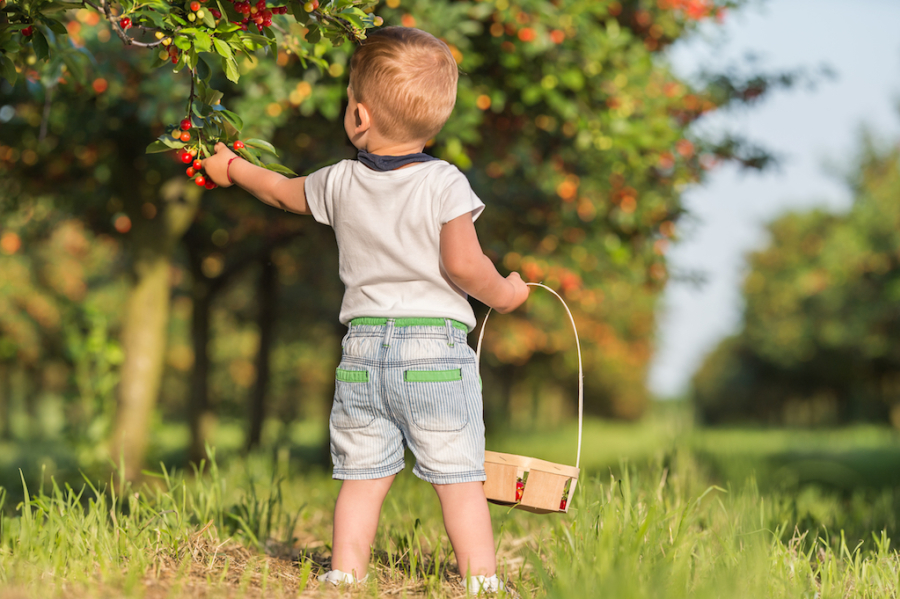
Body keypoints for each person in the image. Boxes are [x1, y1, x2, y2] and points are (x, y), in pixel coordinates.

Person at [202, 26, 529, 593]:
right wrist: (507, 292)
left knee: (363, 475)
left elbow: (280, 191)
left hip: (362, 349)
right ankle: (481, 582)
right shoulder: (444, 183)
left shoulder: (338, 182)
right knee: (458, 478)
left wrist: (230, 167)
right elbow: (464, 266)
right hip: (434, 352)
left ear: (359, 116)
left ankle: (345, 573)